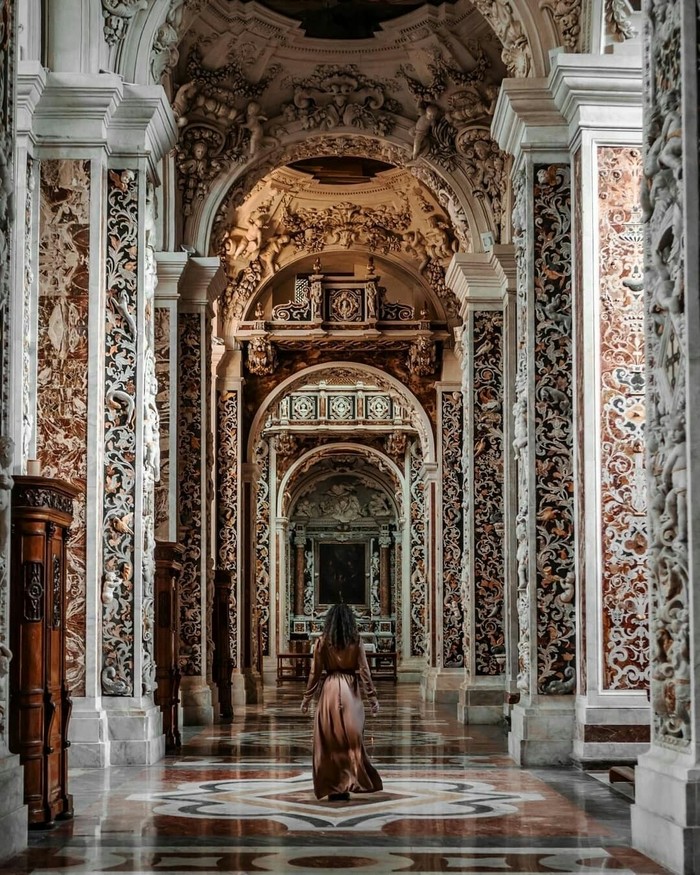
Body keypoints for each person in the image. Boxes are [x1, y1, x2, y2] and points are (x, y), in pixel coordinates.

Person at [300, 603, 382, 801]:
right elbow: (364, 670)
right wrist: (372, 697)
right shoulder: (355, 640)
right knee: (352, 740)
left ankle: (332, 785)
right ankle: (350, 780)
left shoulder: (322, 641)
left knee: (329, 741)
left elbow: (314, 672)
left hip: (329, 688)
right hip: (350, 690)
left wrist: (307, 698)